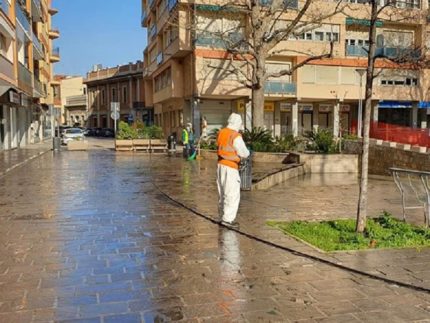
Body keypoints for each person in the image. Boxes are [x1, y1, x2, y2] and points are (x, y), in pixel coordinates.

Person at [216, 113, 250, 228]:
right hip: (231, 167)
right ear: (237, 123)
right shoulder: (235, 136)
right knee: (232, 194)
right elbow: (244, 153)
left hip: (220, 165)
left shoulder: (221, 132)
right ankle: (228, 220)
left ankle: (222, 216)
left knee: (222, 193)